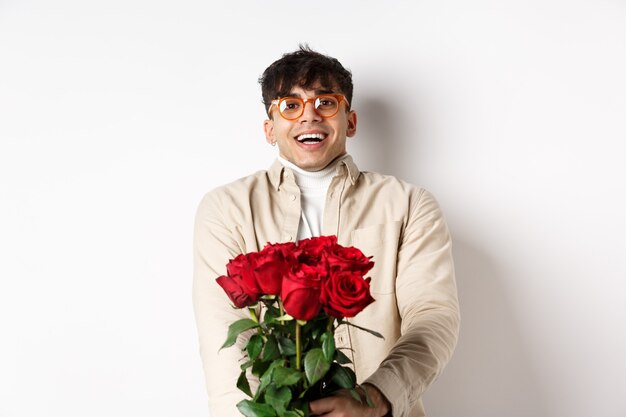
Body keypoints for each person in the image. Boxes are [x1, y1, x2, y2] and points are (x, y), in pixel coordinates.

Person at [193, 45, 460, 417]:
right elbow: (226, 334)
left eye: (325, 103)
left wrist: (375, 398)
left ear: (350, 121)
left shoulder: (409, 204)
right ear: (270, 129)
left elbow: (433, 317)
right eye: (290, 105)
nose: (309, 117)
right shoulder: (227, 208)